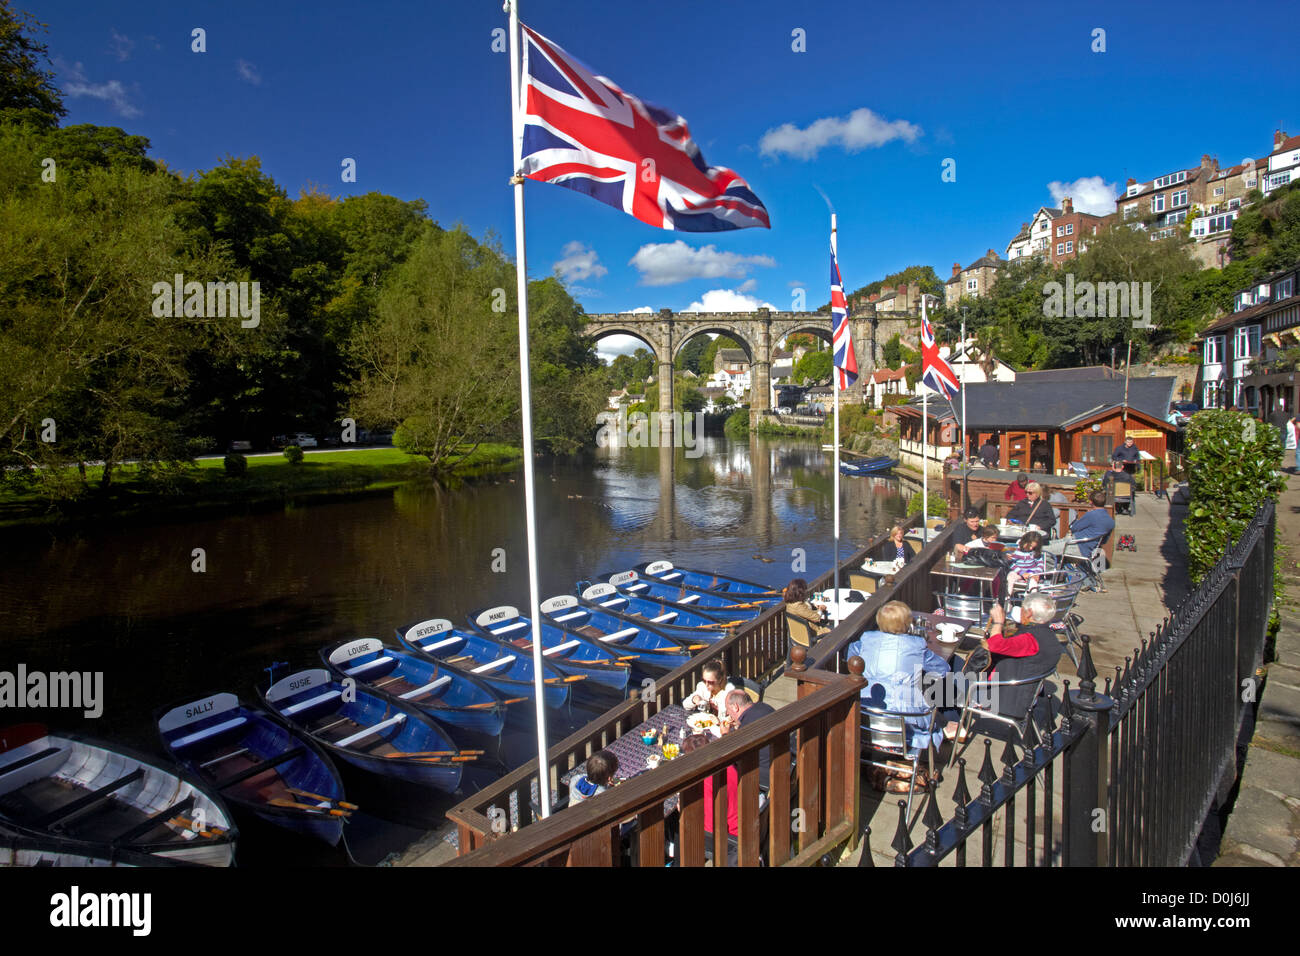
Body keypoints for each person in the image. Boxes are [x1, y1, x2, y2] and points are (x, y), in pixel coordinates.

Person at [844, 601, 956, 752]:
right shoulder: (917, 646)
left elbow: (851, 655)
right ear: (906, 623)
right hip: (903, 717)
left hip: (865, 711)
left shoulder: (865, 641)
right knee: (930, 708)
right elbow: (943, 669)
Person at [977, 597, 1064, 721]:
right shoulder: (1049, 637)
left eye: (1022, 609)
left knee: (949, 680)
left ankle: (951, 727)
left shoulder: (1030, 639)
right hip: (1023, 696)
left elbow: (994, 645)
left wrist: (998, 623)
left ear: (1029, 613)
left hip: (1003, 697)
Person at [1043, 490, 1114, 561]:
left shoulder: (1092, 515)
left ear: (1091, 502)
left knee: (1043, 549)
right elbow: (1104, 541)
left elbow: (1075, 528)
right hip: (1088, 549)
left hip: (1075, 545)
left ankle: (1051, 570)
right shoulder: (1111, 521)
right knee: (1049, 544)